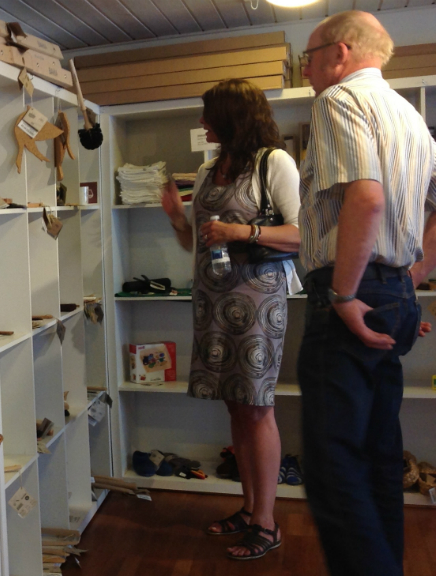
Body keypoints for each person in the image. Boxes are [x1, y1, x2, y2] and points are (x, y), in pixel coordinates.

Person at [298, 11, 436, 576]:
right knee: (379, 454)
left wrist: (344, 295)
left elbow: (368, 198)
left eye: (308, 57)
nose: (305, 70)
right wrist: (409, 281)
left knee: (333, 463)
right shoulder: (410, 115)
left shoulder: (338, 100)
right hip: (392, 288)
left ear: (341, 52)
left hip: (351, 292)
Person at [161, 78, 301, 560]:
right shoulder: (207, 170)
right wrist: (177, 219)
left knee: (257, 407)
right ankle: (248, 508)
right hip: (213, 300)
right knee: (236, 405)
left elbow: (303, 233)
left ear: (232, 117)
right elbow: (196, 242)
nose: (202, 122)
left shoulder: (273, 162)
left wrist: (242, 231)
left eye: (209, 114)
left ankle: (267, 521)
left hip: (258, 300)